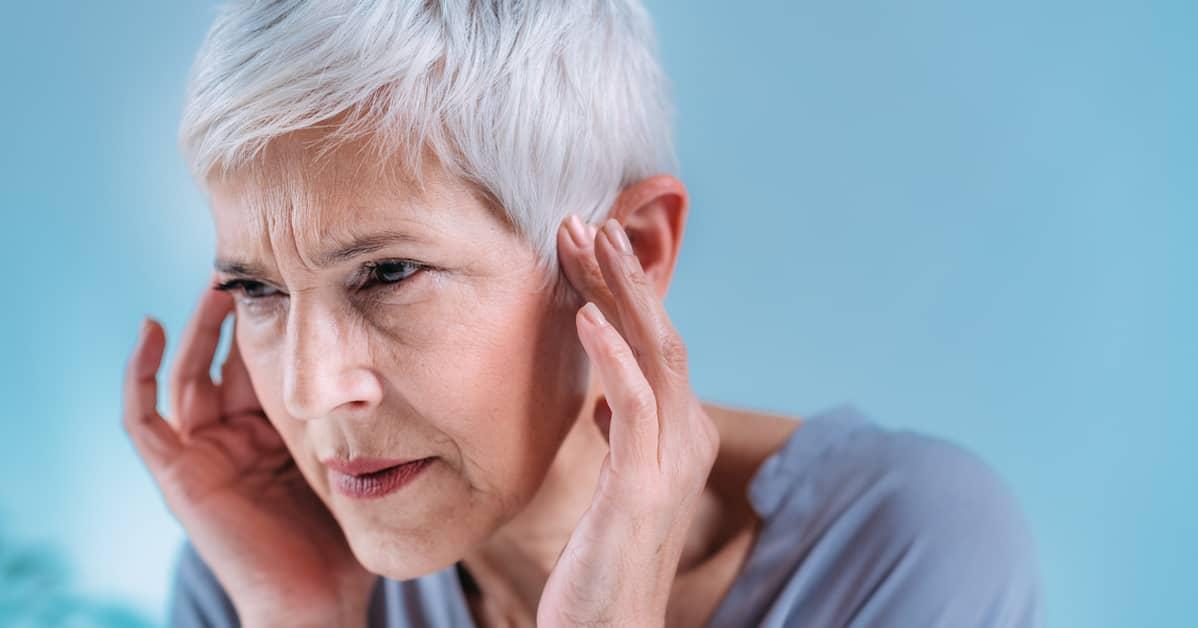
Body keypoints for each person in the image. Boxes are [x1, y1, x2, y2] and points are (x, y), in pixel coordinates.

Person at [122, 1, 1042, 626]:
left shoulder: (897, 548)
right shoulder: (255, 563)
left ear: (632, 250)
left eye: (388, 272)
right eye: (260, 291)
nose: (311, 390)